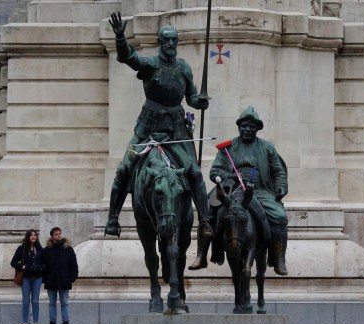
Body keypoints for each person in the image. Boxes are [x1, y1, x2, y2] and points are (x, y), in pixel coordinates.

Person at [104, 12, 212, 240]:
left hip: (177, 130)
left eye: (174, 40)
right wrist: (121, 38)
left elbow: (190, 97)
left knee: (194, 172)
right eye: (166, 40)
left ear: (177, 42)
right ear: (160, 42)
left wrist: (199, 102)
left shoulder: (184, 68)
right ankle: (112, 218)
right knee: (124, 168)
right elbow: (128, 58)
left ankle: (204, 221)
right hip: (148, 129)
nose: (171, 44)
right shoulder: (150, 64)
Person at [189, 106, 289, 275]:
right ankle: (202, 255)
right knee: (208, 212)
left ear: (257, 129)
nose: (247, 129)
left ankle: (279, 259)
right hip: (231, 190)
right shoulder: (227, 148)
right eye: (244, 126)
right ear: (239, 127)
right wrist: (231, 176)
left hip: (260, 190)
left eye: (251, 126)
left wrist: (281, 187)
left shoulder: (267, 148)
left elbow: (278, 172)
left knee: (279, 216)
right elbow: (214, 172)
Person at [41, 227, 78, 324]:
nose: (59, 235)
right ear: (52, 236)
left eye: (60, 233)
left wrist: (71, 278)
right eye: (56, 234)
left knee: (65, 303)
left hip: (64, 281)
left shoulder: (68, 249)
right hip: (51, 281)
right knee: (52, 303)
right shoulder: (47, 250)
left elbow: (74, 266)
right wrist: (45, 279)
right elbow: (43, 266)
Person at [10, 229, 44, 324]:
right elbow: (13, 262)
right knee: (25, 301)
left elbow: (45, 263)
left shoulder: (39, 249)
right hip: (25, 278)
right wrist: (23, 266)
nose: (34, 236)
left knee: (35, 301)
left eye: (35, 235)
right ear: (28, 237)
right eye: (31, 235)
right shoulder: (22, 249)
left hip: (37, 277)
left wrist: (40, 268)